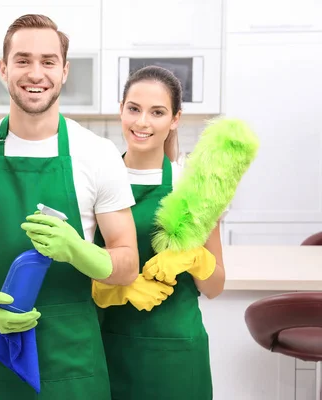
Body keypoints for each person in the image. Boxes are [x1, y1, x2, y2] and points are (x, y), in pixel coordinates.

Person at [0, 13, 139, 400]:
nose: (35, 73)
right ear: (4, 68)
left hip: (72, 363)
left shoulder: (97, 154)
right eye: (23, 60)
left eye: (48, 61)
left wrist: (79, 251)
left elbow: (127, 264)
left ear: (64, 71)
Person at [92, 65, 225, 400]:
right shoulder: (95, 182)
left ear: (175, 119)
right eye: (134, 109)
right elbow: (76, 272)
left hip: (177, 353)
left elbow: (215, 287)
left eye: (157, 112)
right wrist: (118, 289)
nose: (142, 122)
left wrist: (195, 259)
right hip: (108, 345)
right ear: (121, 109)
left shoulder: (192, 188)